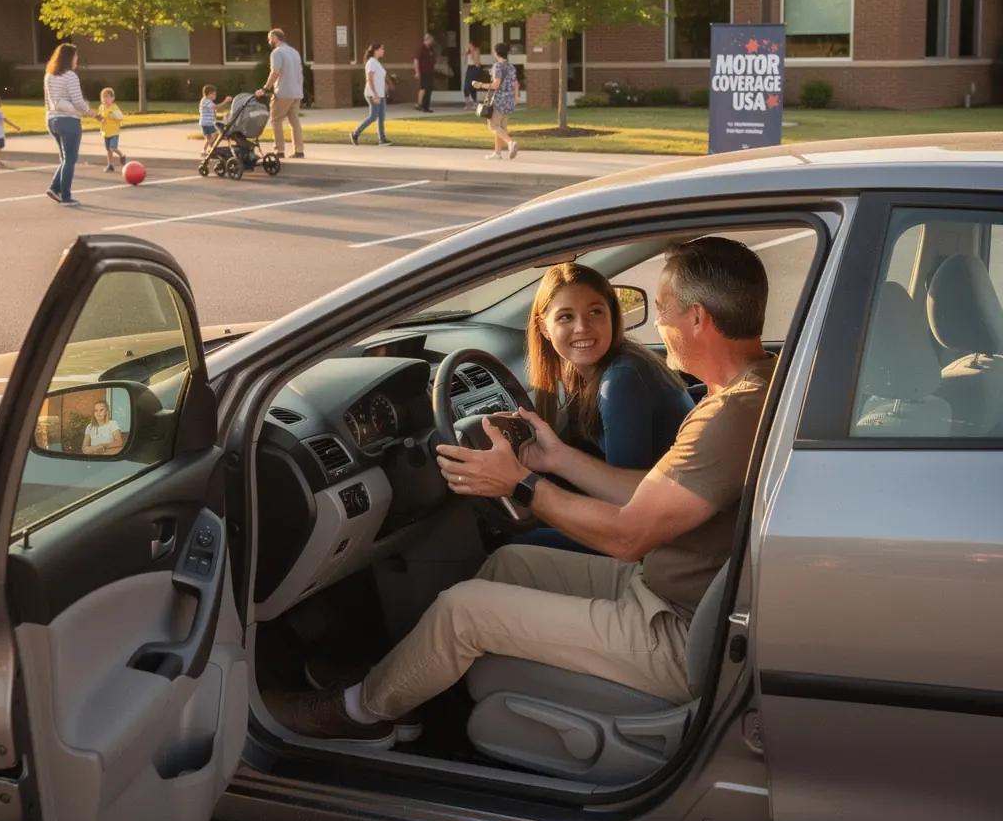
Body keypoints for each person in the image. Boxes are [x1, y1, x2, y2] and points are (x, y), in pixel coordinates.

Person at [262, 237, 776, 745]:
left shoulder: (728, 415)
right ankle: (410, 696)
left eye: (662, 308)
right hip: (668, 592)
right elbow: (650, 492)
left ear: (698, 318)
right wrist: (555, 458)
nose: (658, 322)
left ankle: (361, 712)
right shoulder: (751, 388)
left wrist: (521, 484)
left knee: (464, 608)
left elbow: (628, 537)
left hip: (675, 634)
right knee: (509, 565)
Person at [514, 263, 693, 554]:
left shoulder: (621, 379)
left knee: (516, 544)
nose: (582, 327)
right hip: (661, 519)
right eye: (566, 317)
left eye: (595, 312)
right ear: (544, 328)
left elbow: (626, 505)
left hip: (667, 541)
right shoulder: (598, 369)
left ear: (613, 316)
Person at [44, 43, 98, 207]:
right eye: (75, 56)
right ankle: (65, 196)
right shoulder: (70, 76)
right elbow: (77, 100)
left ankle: (54, 188)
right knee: (70, 159)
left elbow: (48, 101)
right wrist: (90, 112)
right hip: (69, 121)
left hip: (52, 120)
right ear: (70, 58)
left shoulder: (49, 75)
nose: (77, 59)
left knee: (65, 158)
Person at [257, 28, 305, 159]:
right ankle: (299, 150)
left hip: (283, 92)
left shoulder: (277, 53)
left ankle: (279, 150)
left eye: (270, 38)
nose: (269, 41)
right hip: (296, 92)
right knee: (294, 121)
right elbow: (300, 73)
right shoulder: (294, 52)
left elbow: (275, 72)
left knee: (275, 120)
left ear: (275, 38)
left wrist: (265, 88)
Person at [473, 42, 518, 161]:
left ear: (497, 53)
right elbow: (515, 84)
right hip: (508, 101)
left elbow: (496, 84)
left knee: (493, 126)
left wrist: (480, 85)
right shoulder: (511, 67)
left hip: (499, 100)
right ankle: (497, 153)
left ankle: (511, 143)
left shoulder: (498, 66)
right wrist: (516, 98)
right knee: (501, 128)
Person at [349, 43, 393, 147]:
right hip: (373, 94)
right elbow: (369, 79)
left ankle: (382, 139)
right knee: (373, 117)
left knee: (381, 117)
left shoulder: (376, 62)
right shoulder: (371, 63)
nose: (383, 51)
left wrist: (385, 87)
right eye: (381, 49)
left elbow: (379, 78)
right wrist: (375, 94)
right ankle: (355, 133)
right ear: (375, 51)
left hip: (380, 94)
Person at [98, 88, 125, 173]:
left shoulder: (114, 107)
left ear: (112, 98)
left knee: (113, 148)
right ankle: (110, 165)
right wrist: (100, 118)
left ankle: (122, 155)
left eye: (107, 97)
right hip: (106, 132)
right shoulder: (101, 107)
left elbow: (120, 118)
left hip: (114, 132)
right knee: (108, 150)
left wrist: (113, 116)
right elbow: (100, 117)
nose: (105, 99)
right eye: (103, 97)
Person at [199, 85, 231, 156]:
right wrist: (225, 101)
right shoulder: (206, 101)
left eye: (215, 94)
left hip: (207, 123)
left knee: (210, 138)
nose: (215, 96)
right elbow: (214, 107)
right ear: (207, 94)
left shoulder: (207, 101)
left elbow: (213, 111)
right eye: (213, 94)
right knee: (213, 137)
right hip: (207, 123)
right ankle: (212, 150)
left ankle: (205, 150)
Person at [413, 33, 436, 113]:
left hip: (430, 72)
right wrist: (417, 72)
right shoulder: (421, 48)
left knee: (425, 88)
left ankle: (421, 105)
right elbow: (416, 60)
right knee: (427, 89)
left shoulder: (430, 49)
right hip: (424, 72)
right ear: (427, 40)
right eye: (431, 40)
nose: (432, 42)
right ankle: (425, 106)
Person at [462, 39, 482, 109]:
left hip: (474, 69)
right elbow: (463, 54)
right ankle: (468, 102)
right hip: (469, 68)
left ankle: (474, 102)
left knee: (472, 86)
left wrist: (473, 52)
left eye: (470, 44)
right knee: (466, 86)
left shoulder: (476, 51)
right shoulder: (469, 51)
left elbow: (476, 62)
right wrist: (467, 51)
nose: (468, 45)